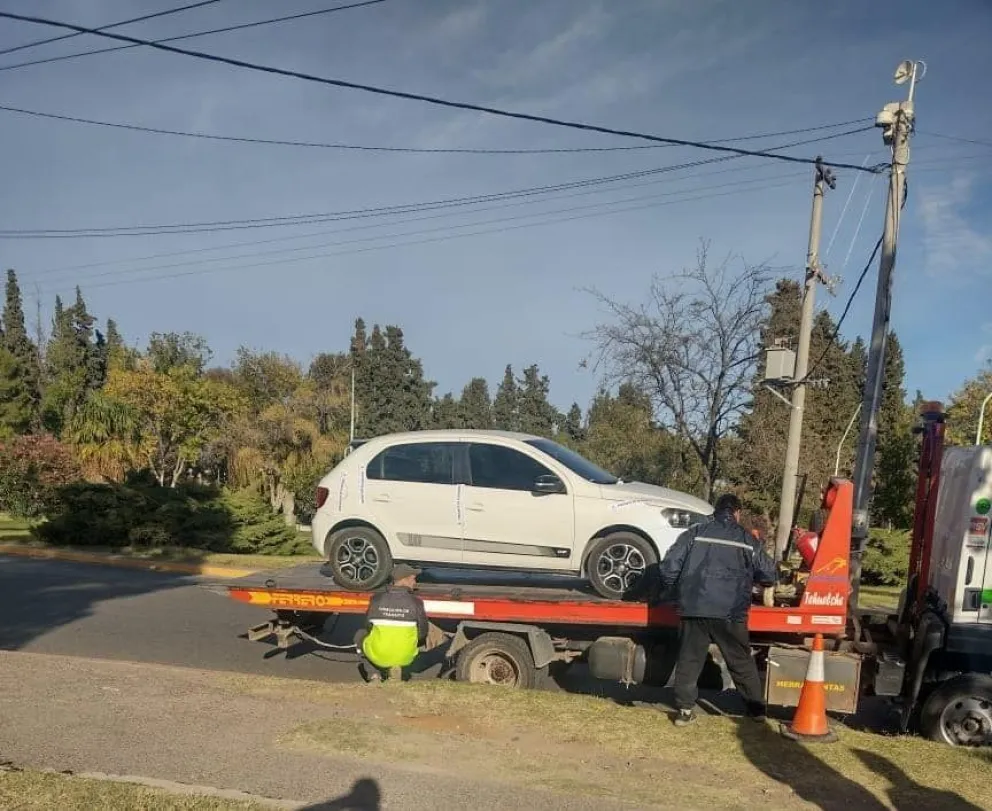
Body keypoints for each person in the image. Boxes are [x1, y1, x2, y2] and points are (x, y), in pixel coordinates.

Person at [658, 493, 777, 727]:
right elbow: (768, 573)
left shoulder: (694, 533)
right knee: (740, 661)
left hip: (694, 608)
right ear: (737, 513)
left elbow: (669, 567)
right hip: (730, 612)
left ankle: (684, 711)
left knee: (689, 661)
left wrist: (674, 591)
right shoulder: (746, 539)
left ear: (716, 511)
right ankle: (756, 711)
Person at [353, 563, 447, 682]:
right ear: (404, 580)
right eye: (413, 579)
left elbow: (368, 625)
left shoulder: (376, 599)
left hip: (379, 654)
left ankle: (374, 675)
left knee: (360, 635)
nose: (414, 582)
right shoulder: (416, 602)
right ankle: (399, 668)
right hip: (406, 657)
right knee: (410, 641)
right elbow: (423, 632)